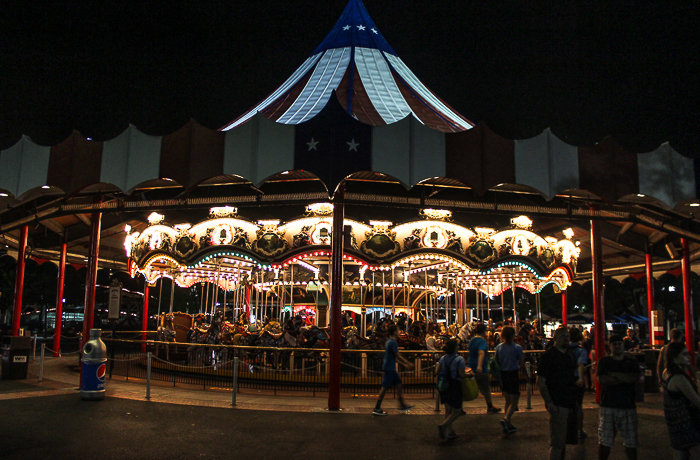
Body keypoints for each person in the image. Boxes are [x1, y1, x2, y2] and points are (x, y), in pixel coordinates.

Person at [596, 334, 641, 460]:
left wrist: (614, 375)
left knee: (631, 442)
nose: (617, 346)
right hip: (609, 404)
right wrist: (624, 378)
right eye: (614, 344)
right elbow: (601, 379)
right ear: (610, 346)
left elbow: (634, 378)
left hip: (626, 405)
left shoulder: (630, 362)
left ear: (623, 345)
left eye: (619, 343)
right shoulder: (604, 361)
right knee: (605, 440)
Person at [538, 327, 578, 460]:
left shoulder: (569, 355)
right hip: (558, 402)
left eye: (567, 336)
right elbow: (541, 381)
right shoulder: (548, 356)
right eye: (563, 336)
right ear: (555, 338)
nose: (566, 338)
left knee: (563, 440)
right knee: (557, 442)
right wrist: (549, 402)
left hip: (569, 401)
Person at [661, 341, 700, 459]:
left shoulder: (666, 372)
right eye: (684, 354)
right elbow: (697, 401)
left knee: (680, 451)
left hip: (675, 421)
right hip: (687, 422)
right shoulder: (679, 378)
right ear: (674, 357)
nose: (688, 357)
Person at [373, 325, 415, 415]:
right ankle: (377, 407)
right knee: (384, 387)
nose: (399, 332)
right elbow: (397, 355)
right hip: (390, 367)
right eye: (398, 330)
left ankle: (402, 404)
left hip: (390, 366)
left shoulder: (389, 342)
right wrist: (407, 363)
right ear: (394, 332)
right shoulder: (393, 342)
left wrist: (404, 364)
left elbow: (395, 356)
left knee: (399, 384)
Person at [436, 339, 469, 440]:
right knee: (457, 410)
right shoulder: (459, 359)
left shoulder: (443, 359)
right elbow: (462, 374)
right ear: (455, 348)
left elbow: (438, 371)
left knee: (448, 409)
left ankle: (450, 432)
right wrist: (470, 374)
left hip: (444, 385)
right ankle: (444, 426)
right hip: (455, 385)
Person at [495, 325, 525, 435]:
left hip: (503, 373)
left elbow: (496, 360)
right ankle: (506, 418)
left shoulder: (499, 347)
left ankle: (508, 424)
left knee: (507, 400)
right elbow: (521, 362)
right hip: (513, 373)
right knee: (515, 400)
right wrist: (525, 372)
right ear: (513, 335)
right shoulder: (517, 347)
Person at [468, 322, 501, 413]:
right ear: (484, 331)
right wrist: (479, 366)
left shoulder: (471, 340)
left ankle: (459, 407)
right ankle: (490, 406)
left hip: (471, 366)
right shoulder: (482, 341)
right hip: (481, 368)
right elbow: (481, 353)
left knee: (468, 387)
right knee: (486, 388)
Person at [569, 327, 588, 440]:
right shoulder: (581, 350)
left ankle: (566, 428)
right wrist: (581, 378)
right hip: (576, 378)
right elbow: (581, 364)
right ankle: (579, 430)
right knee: (578, 406)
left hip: (566, 379)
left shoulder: (564, 349)